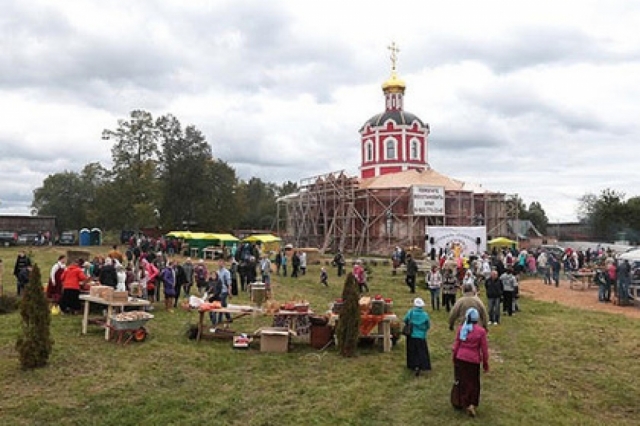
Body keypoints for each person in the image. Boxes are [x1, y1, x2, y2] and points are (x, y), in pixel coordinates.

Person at [452, 307, 489, 417]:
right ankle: (471, 404)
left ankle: (461, 401)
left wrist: (454, 357)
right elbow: (484, 349)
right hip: (473, 360)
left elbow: (457, 345)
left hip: (461, 358)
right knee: (473, 382)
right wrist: (485, 363)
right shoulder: (481, 331)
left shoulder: (461, 329)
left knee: (461, 380)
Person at [403, 297, 431, 377]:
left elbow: (405, 320)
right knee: (421, 351)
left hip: (411, 335)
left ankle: (412, 365)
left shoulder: (411, 313)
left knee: (412, 351)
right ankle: (422, 365)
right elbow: (428, 325)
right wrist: (424, 330)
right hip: (421, 336)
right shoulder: (425, 315)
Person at [214, 259, 232, 325]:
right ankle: (229, 318)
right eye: (218, 262)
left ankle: (219, 320)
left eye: (221, 263)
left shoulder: (226, 272)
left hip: (224, 291)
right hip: (218, 291)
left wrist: (229, 292)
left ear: (224, 264)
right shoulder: (217, 272)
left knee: (221, 305)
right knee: (224, 304)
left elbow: (229, 283)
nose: (219, 264)